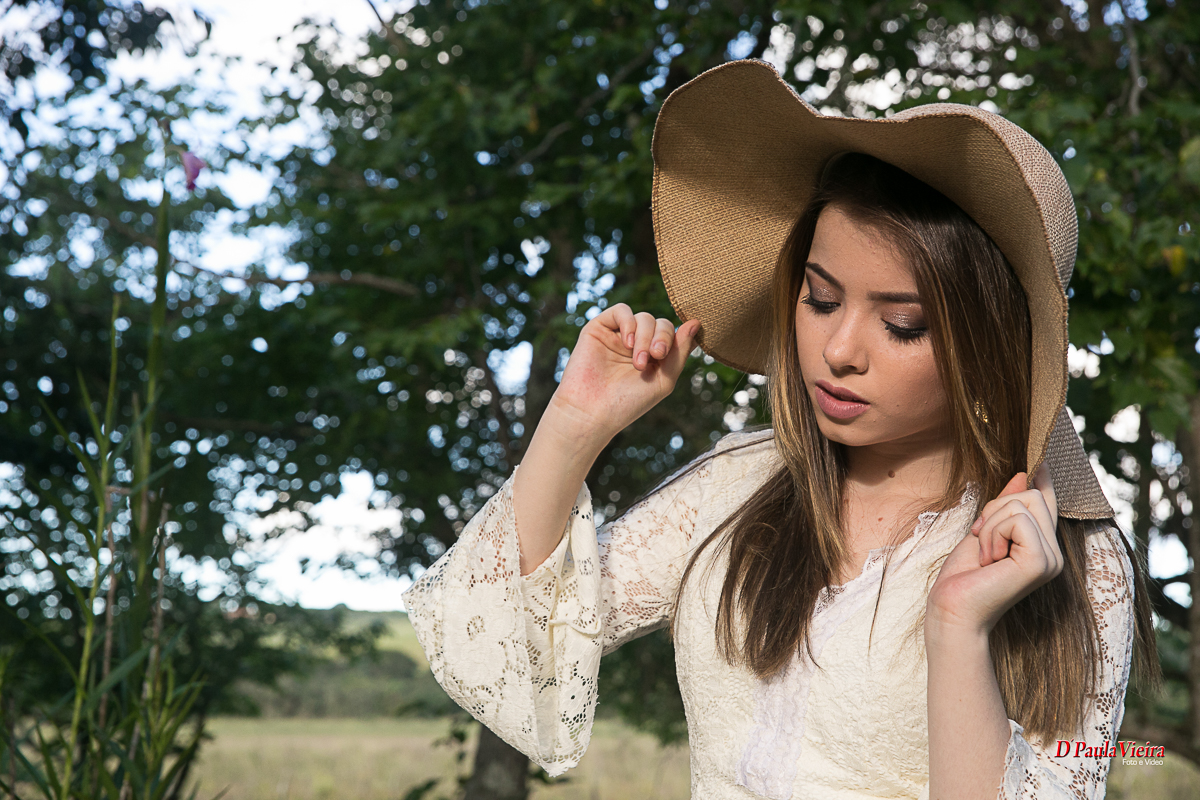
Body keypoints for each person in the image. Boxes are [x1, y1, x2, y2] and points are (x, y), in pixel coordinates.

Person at [402, 60, 1159, 800]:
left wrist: (957, 629)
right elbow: (504, 641)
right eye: (820, 299)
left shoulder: (1072, 564)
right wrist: (574, 425)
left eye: (902, 325)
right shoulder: (738, 484)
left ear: (990, 340)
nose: (838, 351)